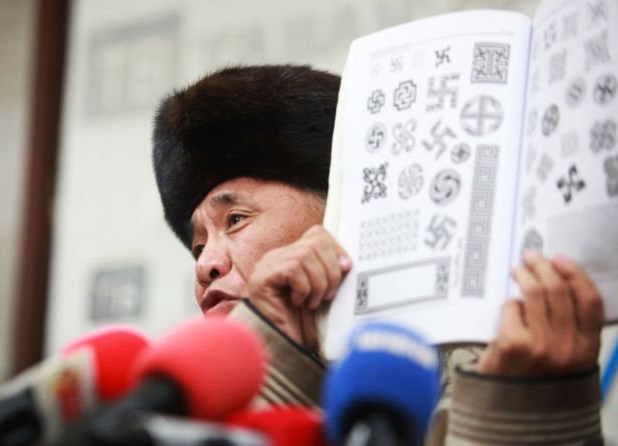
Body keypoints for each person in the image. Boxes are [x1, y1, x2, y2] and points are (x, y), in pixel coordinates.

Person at [152, 65, 604, 444]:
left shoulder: (488, 366)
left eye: (235, 220)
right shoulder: (174, 414)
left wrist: (528, 416)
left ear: (343, 219)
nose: (206, 264)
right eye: (197, 246)